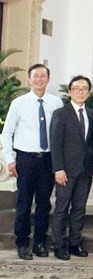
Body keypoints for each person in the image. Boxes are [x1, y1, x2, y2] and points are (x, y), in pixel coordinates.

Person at [2, 64, 63, 260]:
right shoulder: (18, 103)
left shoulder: (56, 103)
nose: (39, 79)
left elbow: (61, 134)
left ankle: (39, 242)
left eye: (42, 76)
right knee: (24, 203)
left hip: (48, 159)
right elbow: (7, 133)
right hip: (25, 159)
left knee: (44, 203)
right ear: (29, 79)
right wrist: (10, 159)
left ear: (48, 79)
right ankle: (22, 243)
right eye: (35, 76)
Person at [50, 75, 93, 260]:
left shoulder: (92, 114)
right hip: (66, 171)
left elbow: (92, 145)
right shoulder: (61, 114)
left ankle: (75, 243)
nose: (80, 91)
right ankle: (59, 244)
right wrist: (58, 169)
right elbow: (55, 144)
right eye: (76, 88)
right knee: (62, 208)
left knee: (79, 209)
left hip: (85, 171)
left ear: (88, 92)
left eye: (84, 88)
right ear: (69, 92)